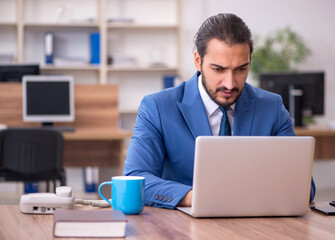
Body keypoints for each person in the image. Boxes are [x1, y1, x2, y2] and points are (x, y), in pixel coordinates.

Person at [123, 13, 316, 209]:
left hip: (254, 225)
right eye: (218, 69)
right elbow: (136, 178)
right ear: (198, 60)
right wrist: (197, 197)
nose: (230, 84)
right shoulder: (157, 108)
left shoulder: (272, 108)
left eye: (241, 69)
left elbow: (303, 187)